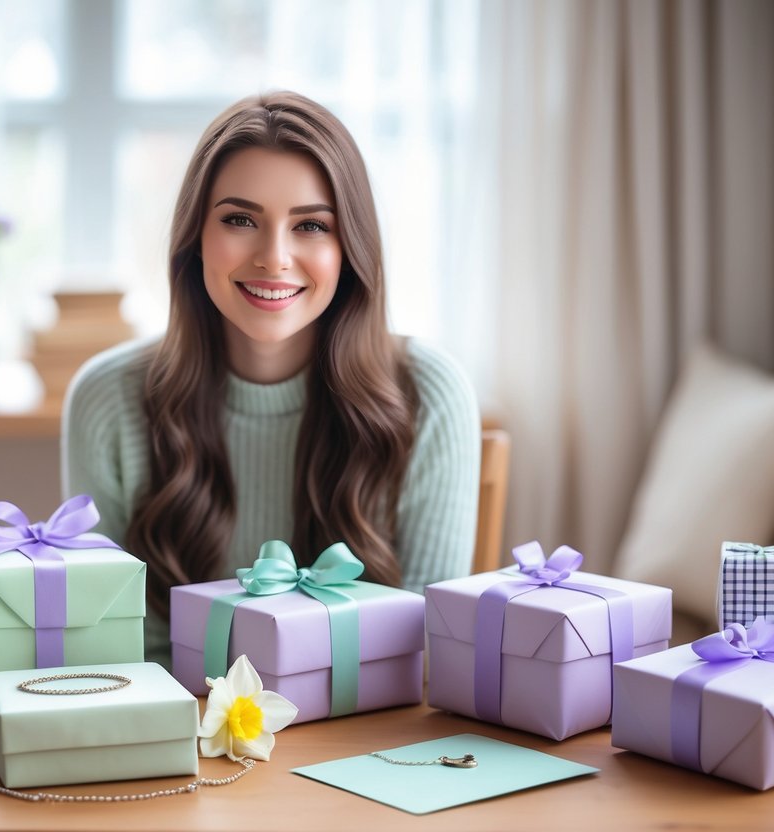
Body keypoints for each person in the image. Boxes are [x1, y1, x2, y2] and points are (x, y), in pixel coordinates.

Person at [62, 91, 480, 663]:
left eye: (310, 225)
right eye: (239, 220)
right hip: (179, 737)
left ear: (349, 248)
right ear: (195, 239)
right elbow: (110, 652)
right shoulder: (107, 398)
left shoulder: (430, 395)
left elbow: (426, 654)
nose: (274, 257)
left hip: (365, 746)